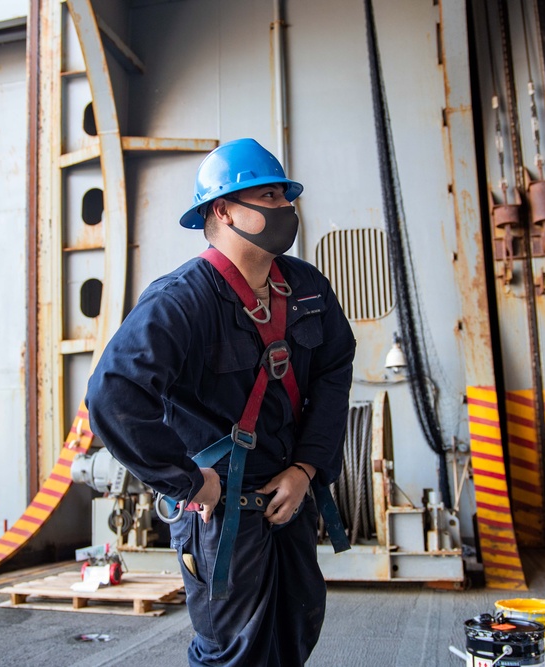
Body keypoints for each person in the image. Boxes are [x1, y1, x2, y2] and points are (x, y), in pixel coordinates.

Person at [85, 138, 356, 666]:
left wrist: (306, 468)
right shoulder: (182, 299)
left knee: (294, 632)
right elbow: (113, 395)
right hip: (222, 517)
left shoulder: (307, 288)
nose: (285, 208)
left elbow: (332, 373)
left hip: (288, 505)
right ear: (224, 210)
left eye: (284, 196)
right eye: (269, 196)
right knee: (235, 653)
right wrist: (188, 480)